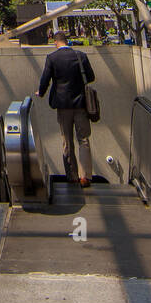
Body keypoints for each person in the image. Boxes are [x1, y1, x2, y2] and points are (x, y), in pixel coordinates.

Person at [36, 32, 94, 188]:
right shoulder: (80, 55)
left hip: (62, 105)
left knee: (67, 141)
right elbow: (90, 76)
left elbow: (45, 79)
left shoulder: (52, 58)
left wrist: (40, 92)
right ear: (66, 41)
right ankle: (85, 176)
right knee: (84, 139)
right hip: (81, 104)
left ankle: (72, 176)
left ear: (55, 42)